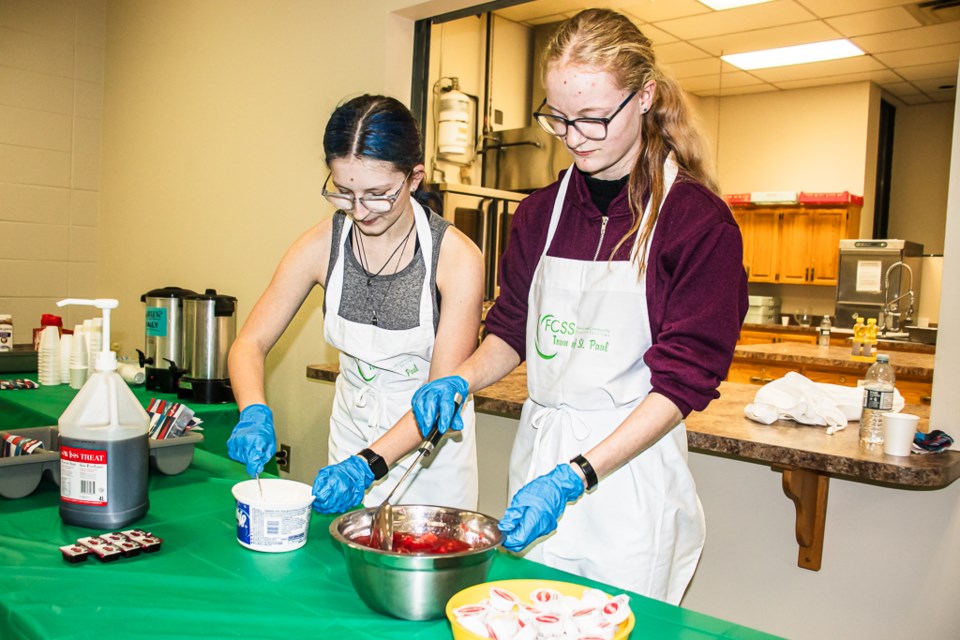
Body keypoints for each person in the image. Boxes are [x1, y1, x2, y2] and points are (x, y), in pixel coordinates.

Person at [412, 9, 748, 604]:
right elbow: (512, 328)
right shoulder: (540, 213)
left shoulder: (696, 223)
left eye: (594, 118)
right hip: (539, 463)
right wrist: (460, 379)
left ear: (644, 97)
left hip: (629, 482)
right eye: (558, 118)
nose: (573, 137)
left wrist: (578, 475)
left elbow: (682, 383)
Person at [227, 94, 483, 514]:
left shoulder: (455, 259)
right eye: (344, 193)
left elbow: (440, 399)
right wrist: (253, 409)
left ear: (414, 178)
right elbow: (249, 344)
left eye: (378, 194)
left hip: (429, 467)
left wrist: (367, 465)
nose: (360, 211)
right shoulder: (319, 246)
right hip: (349, 446)